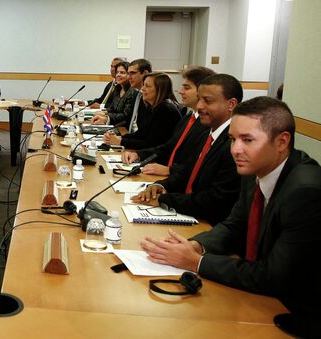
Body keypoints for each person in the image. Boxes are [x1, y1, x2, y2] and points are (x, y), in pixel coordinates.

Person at [140, 96, 321, 337]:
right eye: (233, 139)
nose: (236, 149)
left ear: (281, 141)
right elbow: (235, 225)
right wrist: (196, 245)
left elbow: (273, 276)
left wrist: (195, 262)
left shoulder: (305, 192)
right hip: (256, 299)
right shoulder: (255, 168)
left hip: (295, 318)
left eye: (247, 140)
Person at [132, 74, 242, 225]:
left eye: (207, 101)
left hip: (207, 224)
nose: (199, 106)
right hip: (190, 213)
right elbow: (188, 171)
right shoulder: (207, 133)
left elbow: (215, 200)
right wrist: (161, 185)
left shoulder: (234, 144)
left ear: (231, 104)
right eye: (199, 99)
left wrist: (164, 199)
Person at [121, 66, 215, 176]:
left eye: (187, 88)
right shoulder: (189, 118)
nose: (180, 91)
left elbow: (194, 165)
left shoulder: (208, 125)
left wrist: (169, 171)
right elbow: (168, 147)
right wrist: (138, 155)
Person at [104, 72, 181, 150]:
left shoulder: (165, 110)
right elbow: (141, 133)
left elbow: (152, 144)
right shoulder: (152, 106)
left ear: (160, 90)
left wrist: (121, 141)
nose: (142, 89)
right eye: (143, 85)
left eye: (147, 86)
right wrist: (119, 138)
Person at [90, 61, 139, 127]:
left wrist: (107, 117)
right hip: (114, 124)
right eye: (117, 72)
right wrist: (104, 112)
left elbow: (126, 116)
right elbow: (112, 108)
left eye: (122, 73)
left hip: (123, 127)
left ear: (129, 75)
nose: (118, 75)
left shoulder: (133, 92)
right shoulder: (117, 88)